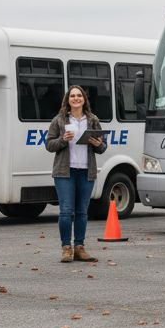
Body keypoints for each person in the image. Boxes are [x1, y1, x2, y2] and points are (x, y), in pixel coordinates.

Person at [44, 85, 107, 263]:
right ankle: (66, 248)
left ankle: (79, 247)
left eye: (79, 95)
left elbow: (102, 147)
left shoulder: (93, 120)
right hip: (65, 172)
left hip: (86, 172)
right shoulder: (59, 120)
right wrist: (63, 140)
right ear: (68, 99)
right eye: (73, 96)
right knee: (66, 211)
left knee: (82, 212)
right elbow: (49, 145)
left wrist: (97, 144)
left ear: (84, 99)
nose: (76, 98)